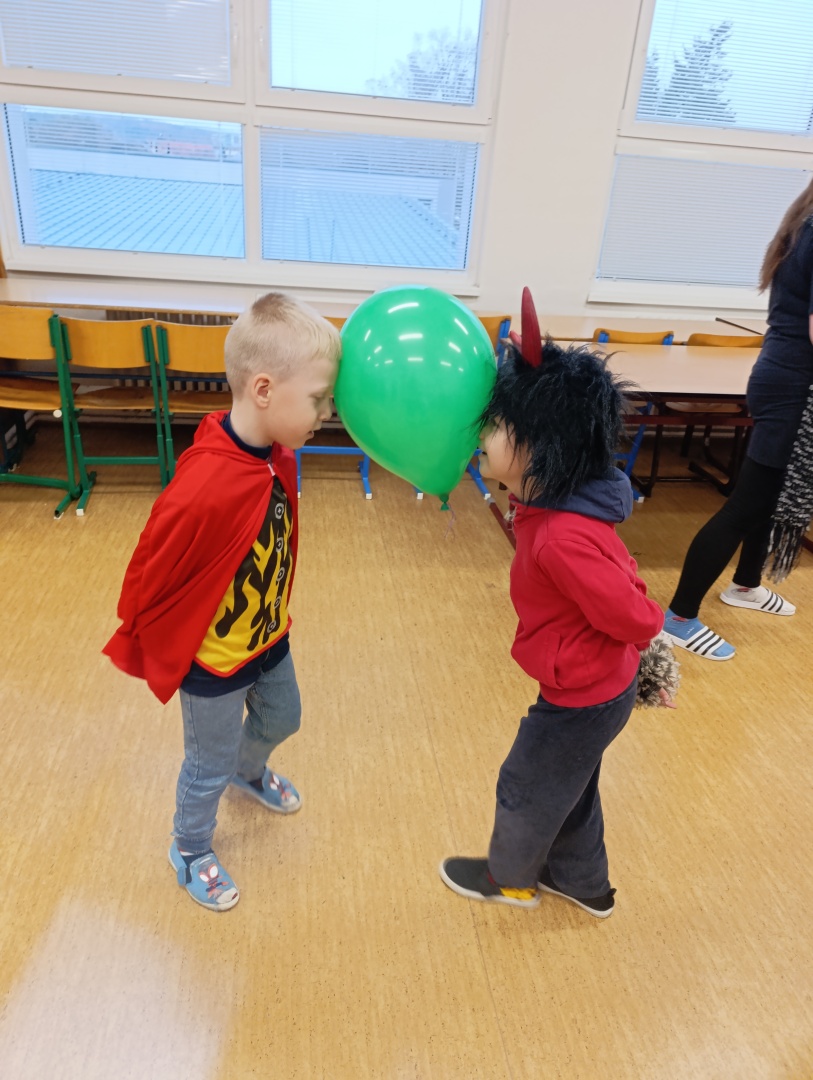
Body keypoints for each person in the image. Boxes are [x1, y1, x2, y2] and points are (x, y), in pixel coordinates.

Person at [103, 293, 340, 911]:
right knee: (204, 765)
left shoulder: (277, 456)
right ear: (264, 390)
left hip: (269, 634)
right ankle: (189, 848)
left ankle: (248, 769)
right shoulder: (204, 483)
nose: (327, 412)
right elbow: (152, 564)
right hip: (213, 660)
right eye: (319, 398)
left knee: (283, 717)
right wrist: (151, 636)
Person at [439, 288, 670, 918]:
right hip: (591, 683)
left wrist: (650, 626)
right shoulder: (549, 505)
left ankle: (511, 878)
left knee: (527, 784)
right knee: (572, 787)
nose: (484, 434)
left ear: (541, 448)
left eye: (497, 426)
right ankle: (584, 883)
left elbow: (628, 611)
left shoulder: (563, 536)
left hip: (584, 695)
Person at [661, 182, 813, 660]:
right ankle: (678, 618)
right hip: (794, 387)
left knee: (767, 497)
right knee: (747, 505)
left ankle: (745, 585)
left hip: (782, 376)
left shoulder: (802, 223)